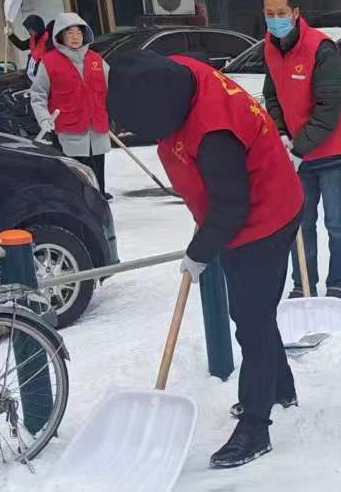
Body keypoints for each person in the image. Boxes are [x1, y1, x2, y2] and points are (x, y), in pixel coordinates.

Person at [108, 49, 303, 469]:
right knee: (255, 312)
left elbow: (232, 207)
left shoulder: (215, 132)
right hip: (235, 213)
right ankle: (280, 385)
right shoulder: (175, 72)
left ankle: (256, 426)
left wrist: (199, 252)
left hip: (265, 220)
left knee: (251, 321)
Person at [261, 0, 341, 299]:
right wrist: (282, 134)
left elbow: (328, 110)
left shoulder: (321, 49)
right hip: (295, 154)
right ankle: (303, 282)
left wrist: (299, 147)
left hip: (332, 153)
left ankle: (338, 282)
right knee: (300, 224)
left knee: (336, 223)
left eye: (281, 13)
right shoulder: (270, 47)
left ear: (296, 13)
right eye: (270, 14)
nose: (275, 20)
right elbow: (272, 94)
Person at [28, 11, 111, 195]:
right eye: (70, 33)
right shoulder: (50, 62)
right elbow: (38, 95)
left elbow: (111, 90)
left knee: (98, 185)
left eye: (79, 33)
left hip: (97, 133)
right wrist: (44, 119)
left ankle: (100, 211)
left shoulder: (96, 60)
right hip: (70, 134)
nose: (75, 37)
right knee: (77, 185)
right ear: (60, 36)